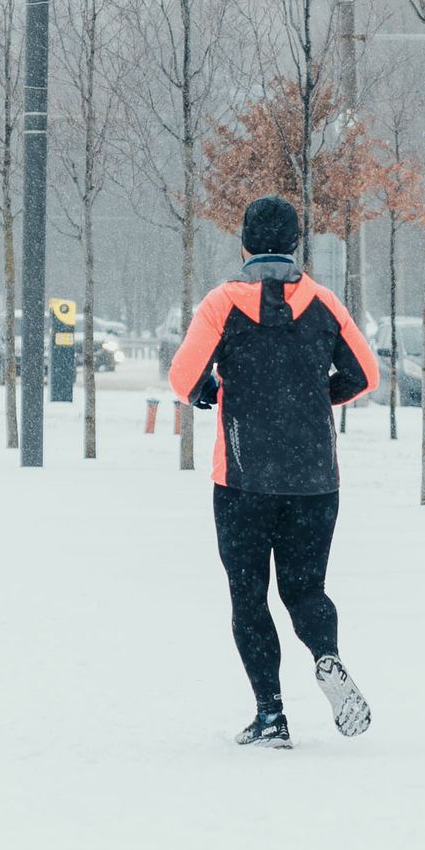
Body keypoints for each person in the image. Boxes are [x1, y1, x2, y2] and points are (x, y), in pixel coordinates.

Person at [167, 195, 381, 749]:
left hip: (243, 479)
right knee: (306, 588)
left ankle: (271, 716)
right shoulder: (324, 302)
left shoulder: (221, 304)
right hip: (314, 479)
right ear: (295, 244)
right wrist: (316, 398)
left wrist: (214, 393)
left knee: (249, 597)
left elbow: (183, 377)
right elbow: (366, 375)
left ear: (243, 243)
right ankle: (327, 655)